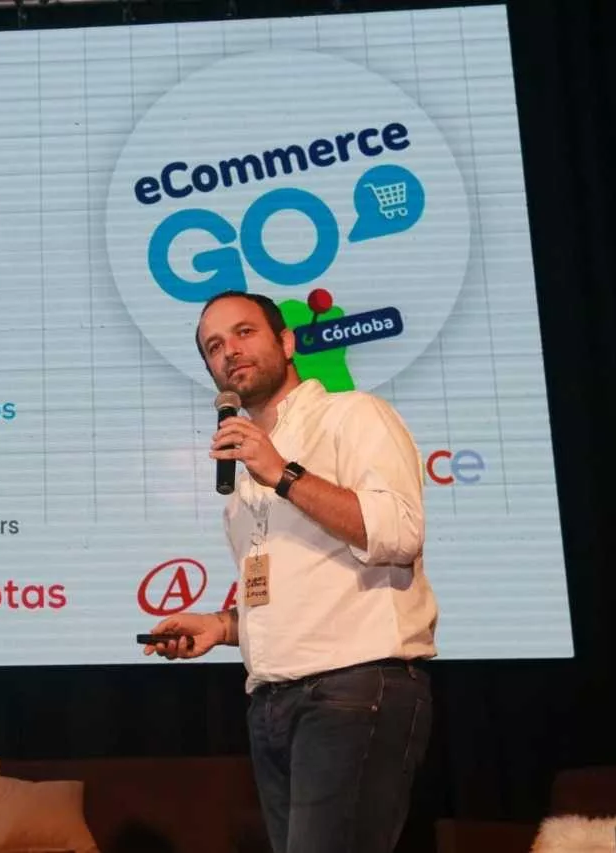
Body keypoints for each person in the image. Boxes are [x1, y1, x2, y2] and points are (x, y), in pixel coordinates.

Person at [142, 290, 438, 853]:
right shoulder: (246, 474)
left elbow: (399, 534)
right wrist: (222, 627)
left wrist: (282, 472)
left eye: (244, 333)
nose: (229, 351)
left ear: (286, 341)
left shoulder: (352, 416)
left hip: (352, 687)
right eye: (213, 346)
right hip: (273, 703)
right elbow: (298, 589)